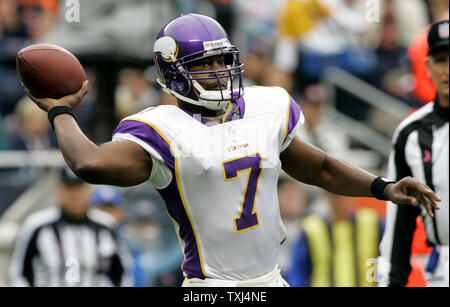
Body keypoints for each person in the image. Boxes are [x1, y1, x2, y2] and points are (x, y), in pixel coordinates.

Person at [24, 14, 441, 287]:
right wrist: (61, 111)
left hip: (270, 279)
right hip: (212, 287)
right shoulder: (161, 130)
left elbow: (323, 169)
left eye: (223, 60)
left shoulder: (266, 105)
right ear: (173, 73)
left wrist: (382, 187)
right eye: (205, 65)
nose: (219, 72)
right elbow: (88, 163)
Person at [377, 20, 449, 287]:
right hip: (441, 271)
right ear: (428, 66)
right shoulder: (411, 133)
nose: (448, 70)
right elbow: (399, 223)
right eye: (441, 60)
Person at [8, 167, 127, 287]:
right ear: (59, 191)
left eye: (79, 189)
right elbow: (17, 273)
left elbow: (123, 271)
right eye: (70, 189)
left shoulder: (105, 225)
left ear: (88, 191)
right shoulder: (37, 224)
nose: (75, 195)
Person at [286, 194, 384, 287]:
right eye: (336, 196)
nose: (341, 200)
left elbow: (388, 264)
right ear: (326, 196)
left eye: (346, 195)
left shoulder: (372, 223)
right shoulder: (312, 228)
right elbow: (298, 274)